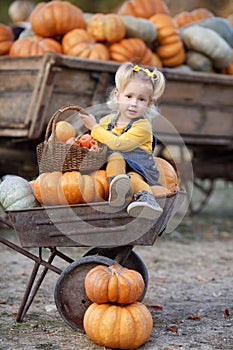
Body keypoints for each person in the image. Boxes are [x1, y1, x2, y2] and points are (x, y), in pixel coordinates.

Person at [79, 62, 166, 220]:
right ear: (117, 96)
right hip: (113, 170)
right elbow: (98, 142)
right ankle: (118, 191)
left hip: (139, 169)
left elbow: (119, 144)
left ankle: (147, 200)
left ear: (149, 104)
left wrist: (94, 128)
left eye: (141, 99)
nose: (134, 103)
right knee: (115, 158)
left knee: (130, 174)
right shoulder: (106, 121)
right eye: (129, 96)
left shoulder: (143, 126)